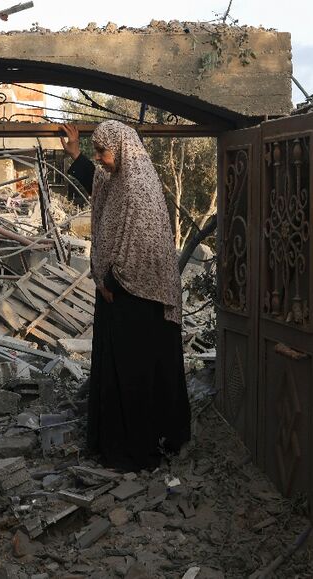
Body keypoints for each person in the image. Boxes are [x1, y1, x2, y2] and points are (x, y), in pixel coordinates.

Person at [60, 121, 191, 471]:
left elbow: (140, 246)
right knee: (115, 370)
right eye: (97, 152)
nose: (100, 159)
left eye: (103, 152)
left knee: (136, 375)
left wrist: (112, 282)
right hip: (115, 294)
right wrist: (76, 153)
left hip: (139, 299)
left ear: (123, 149)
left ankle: (139, 449)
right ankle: (111, 443)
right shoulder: (115, 177)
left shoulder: (138, 186)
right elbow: (98, 184)